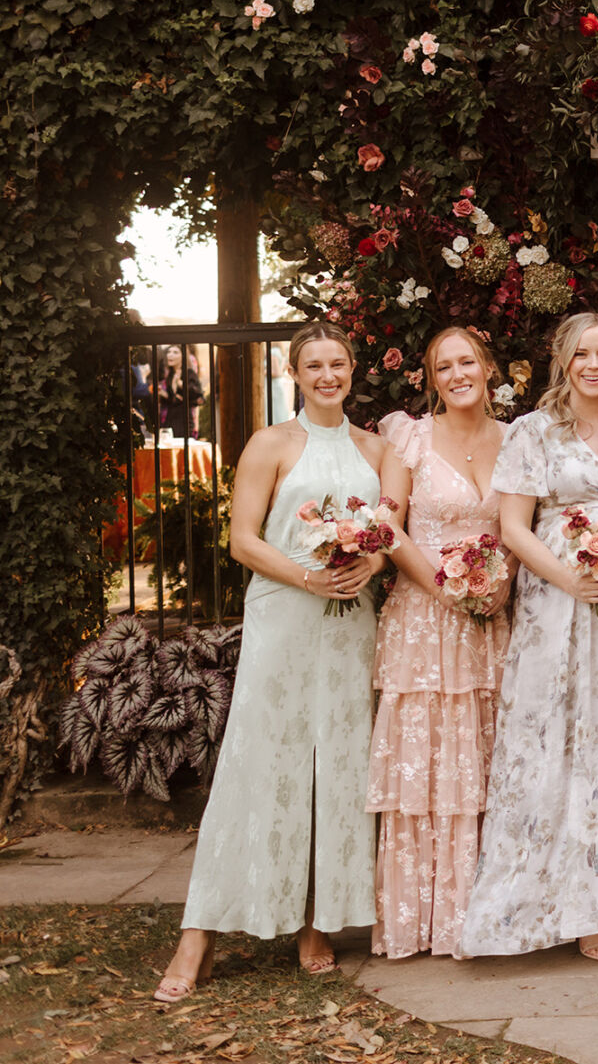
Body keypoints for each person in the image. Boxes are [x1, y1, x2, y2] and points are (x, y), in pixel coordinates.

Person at [157, 323, 388, 1001]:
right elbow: (241, 540)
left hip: (351, 624)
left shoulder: (375, 447)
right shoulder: (270, 443)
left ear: (353, 369)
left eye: (337, 363)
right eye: (313, 364)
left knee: (339, 762)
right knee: (262, 760)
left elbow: (386, 535)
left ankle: (316, 923)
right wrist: (307, 577)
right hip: (285, 617)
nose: (326, 374)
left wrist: (366, 559)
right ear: (294, 372)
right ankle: (197, 933)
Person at [459, 312, 598, 962]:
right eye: (583, 353)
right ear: (564, 359)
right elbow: (514, 526)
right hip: (557, 602)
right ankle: (570, 907)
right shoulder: (534, 431)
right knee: (556, 743)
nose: (594, 364)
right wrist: (569, 577)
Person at [367, 328, 511, 958]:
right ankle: (422, 920)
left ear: (488, 368)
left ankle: (484, 916)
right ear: (431, 378)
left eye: (467, 362)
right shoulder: (410, 437)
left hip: (491, 622)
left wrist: (499, 581)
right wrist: (445, 587)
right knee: (427, 773)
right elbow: (385, 524)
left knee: (485, 767)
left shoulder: (516, 438)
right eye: (444, 366)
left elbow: (522, 524)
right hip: (424, 624)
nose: (458, 374)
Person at [154, 343, 205, 439]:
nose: (170, 355)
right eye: (169, 352)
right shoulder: (170, 375)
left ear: (183, 356)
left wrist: (182, 385)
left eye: (175, 352)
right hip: (170, 419)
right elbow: (173, 399)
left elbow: (198, 395)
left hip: (184, 419)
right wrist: (163, 394)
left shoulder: (189, 373)